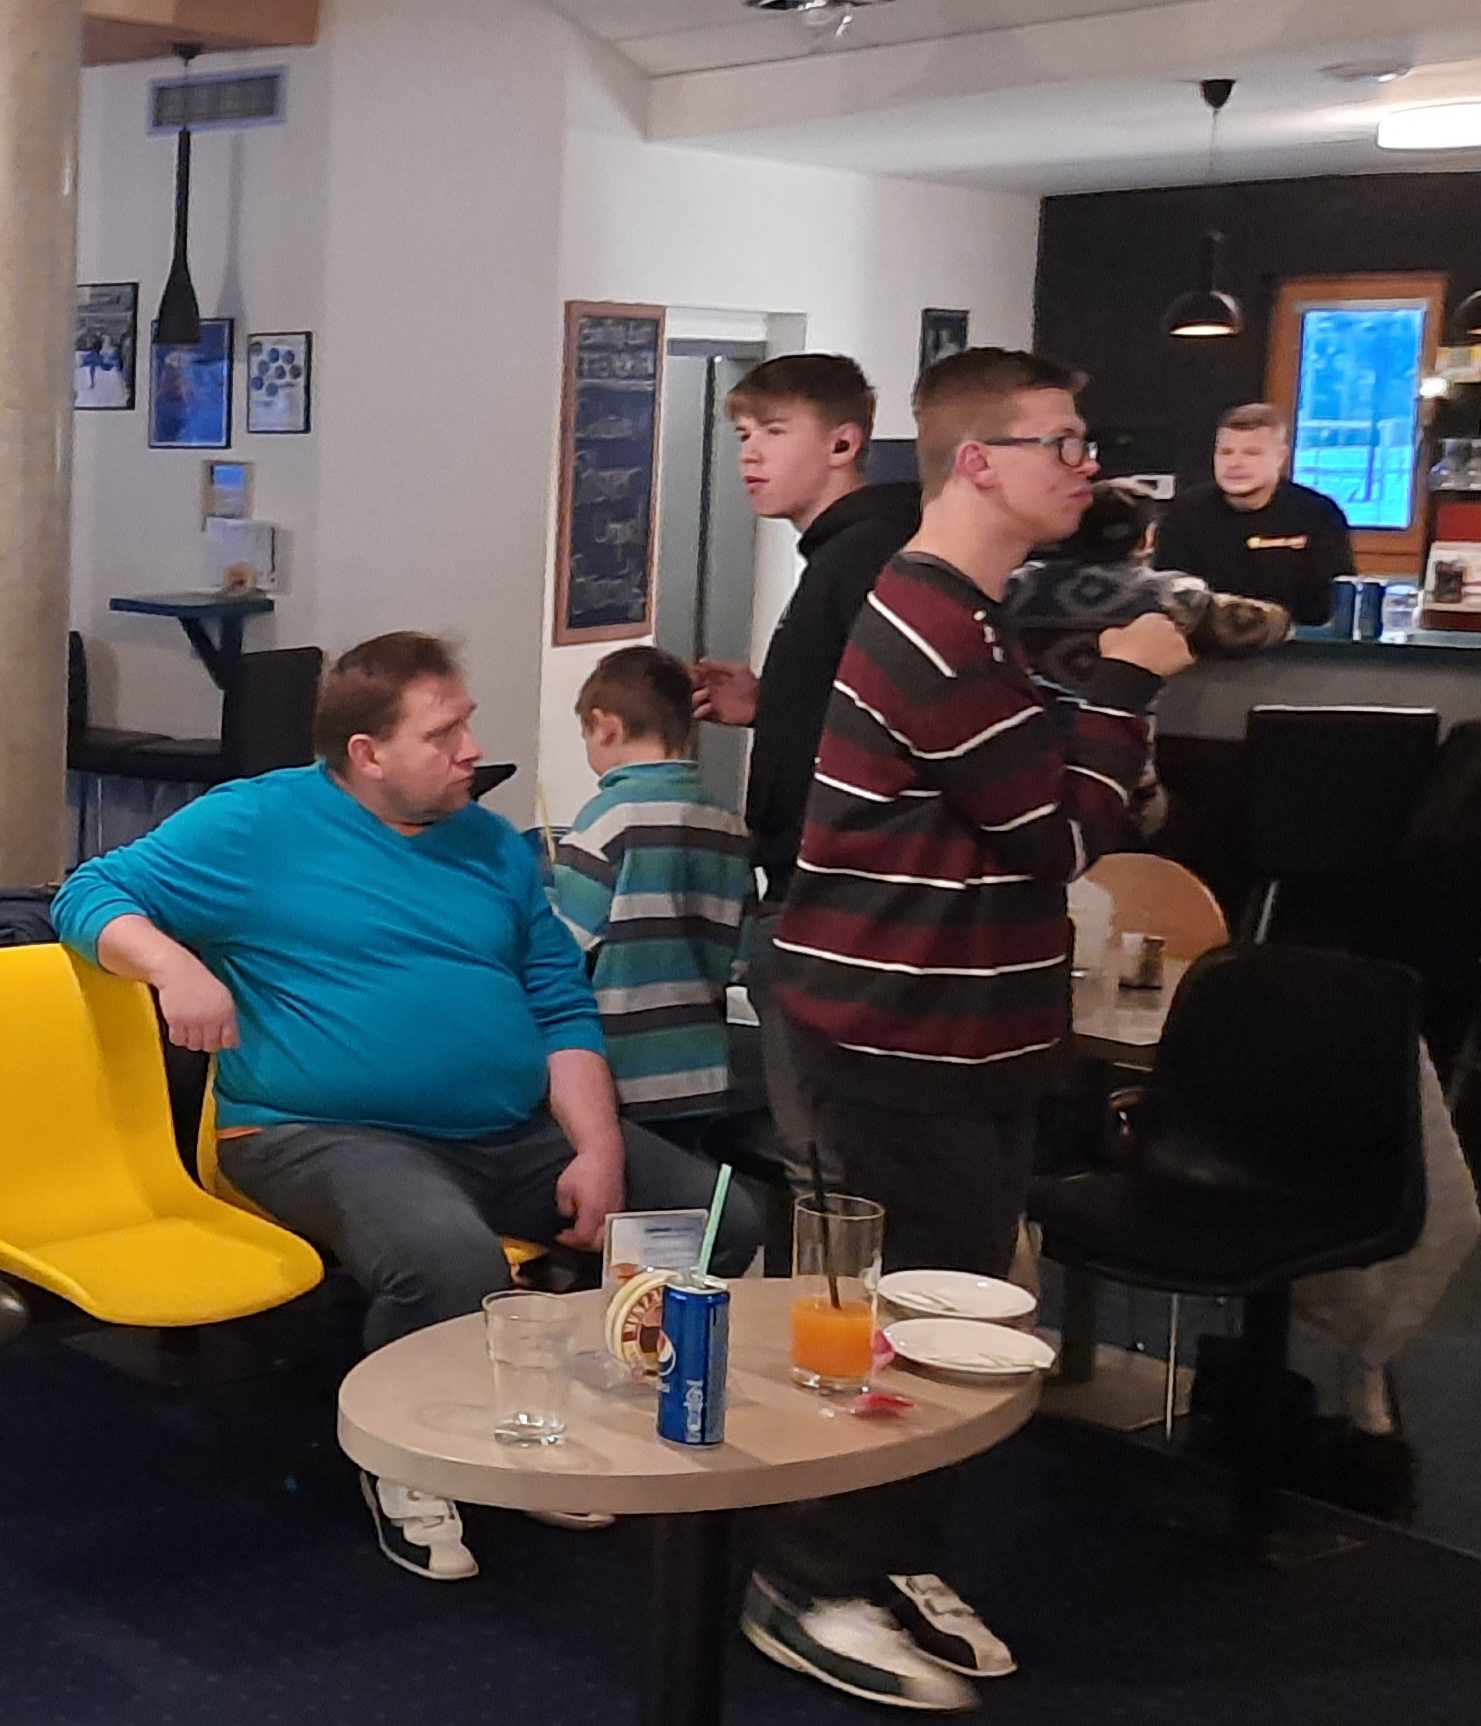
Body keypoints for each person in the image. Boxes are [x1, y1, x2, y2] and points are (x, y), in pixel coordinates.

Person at [55, 631, 749, 1584]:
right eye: (443, 733)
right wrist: (174, 968)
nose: (473, 750)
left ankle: (547, 1419)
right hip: (314, 1131)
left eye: (467, 724)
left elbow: (558, 1005)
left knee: (720, 1220)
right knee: (447, 1257)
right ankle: (408, 1463)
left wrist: (597, 1150)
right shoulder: (256, 822)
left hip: (511, 1131)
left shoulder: (491, 844)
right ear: (367, 754)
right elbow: (90, 891)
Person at [761, 348, 1194, 1712]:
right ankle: (810, 1584)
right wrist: (1126, 688)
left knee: (948, 1310)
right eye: (1059, 442)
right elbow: (1058, 833)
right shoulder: (931, 621)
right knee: (894, 1316)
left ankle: (888, 1552)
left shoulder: (972, 616)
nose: (1086, 466)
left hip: (967, 1032)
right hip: (898, 1035)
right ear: (977, 461)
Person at [689, 354, 919, 1154]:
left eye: (775, 432)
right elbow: (850, 705)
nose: (750, 454)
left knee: (829, 1158)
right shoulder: (837, 552)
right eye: (743, 435)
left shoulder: (865, 554)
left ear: (843, 443)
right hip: (820, 889)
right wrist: (771, 706)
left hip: (839, 901)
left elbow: (901, 723)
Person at [550, 644, 755, 1127]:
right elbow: (741, 956)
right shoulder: (728, 824)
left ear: (604, 726)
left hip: (619, 1073)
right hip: (701, 1074)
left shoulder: (609, 819)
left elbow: (566, 940)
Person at [1151, 402, 1355, 623]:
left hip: (1295, 640)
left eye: (1251, 453)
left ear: (1280, 458)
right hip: (1203, 639)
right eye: (1226, 452)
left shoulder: (1318, 515)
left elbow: (1337, 603)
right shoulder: (1184, 513)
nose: (1234, 463)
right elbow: (1167, 596)